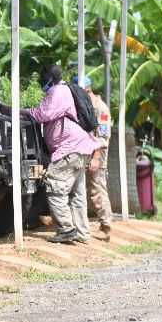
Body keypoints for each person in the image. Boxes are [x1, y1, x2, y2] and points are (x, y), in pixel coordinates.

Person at [22, 65, 102, 244]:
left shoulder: (57, 91)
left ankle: (66, 229)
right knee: (77, 194)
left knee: (54, 185)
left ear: (49, 79)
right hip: (81, 147)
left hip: (69, 148)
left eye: (43, 80)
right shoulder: (67, 90)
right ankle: (82, 233)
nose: (42, 84)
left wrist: (24, 111)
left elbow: (44, 114)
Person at [72, 75, 113, 240]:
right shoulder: (82, 106)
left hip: (97, 155)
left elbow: (103, 137)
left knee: (97, 190)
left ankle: (106, 226)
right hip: (82, 154)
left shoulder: (101, 109)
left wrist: (96, 158)